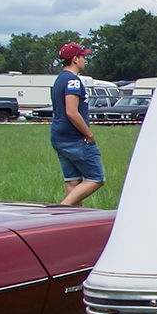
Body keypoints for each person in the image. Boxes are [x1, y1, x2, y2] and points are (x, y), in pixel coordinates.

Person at [50, 42, 105, 206]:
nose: (85, 60)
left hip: (59, 136)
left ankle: (70, 221)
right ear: (75, 59)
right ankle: (61, 211)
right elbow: (71, 111)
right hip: (74, 138)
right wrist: (89, 134)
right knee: (96, 178)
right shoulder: (73, 81)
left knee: (72, 182)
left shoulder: (59, 79)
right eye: (83, 57)